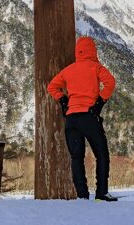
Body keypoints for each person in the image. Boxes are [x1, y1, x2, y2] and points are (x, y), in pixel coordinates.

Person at [47, 36, 117, 202]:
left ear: (78, 51)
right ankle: (101, 193)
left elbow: (52, 86)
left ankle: (82, 196)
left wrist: (63, 100)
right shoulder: (96, 67)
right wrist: (100, 102)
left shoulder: (68, 70)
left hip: (71, 119)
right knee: (101, 154)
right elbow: (110, 83)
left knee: (76, 158)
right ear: (93, 51)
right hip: (89, 117)